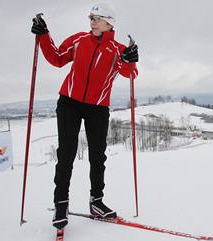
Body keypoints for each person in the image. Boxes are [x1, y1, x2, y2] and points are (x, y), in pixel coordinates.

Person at [31, 2, 139, 229]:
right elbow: (57, 57)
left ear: (109, 23)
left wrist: (130, 58)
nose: (91, 21)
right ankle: (61, 203)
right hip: (69, 102)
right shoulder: (79, 40)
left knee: (97, 156)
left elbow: (130, 74)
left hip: (98, 107)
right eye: (90, 17)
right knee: (66, 153)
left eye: (96, 18)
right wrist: (43, 35)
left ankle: (97, 201)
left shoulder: (117, 50)